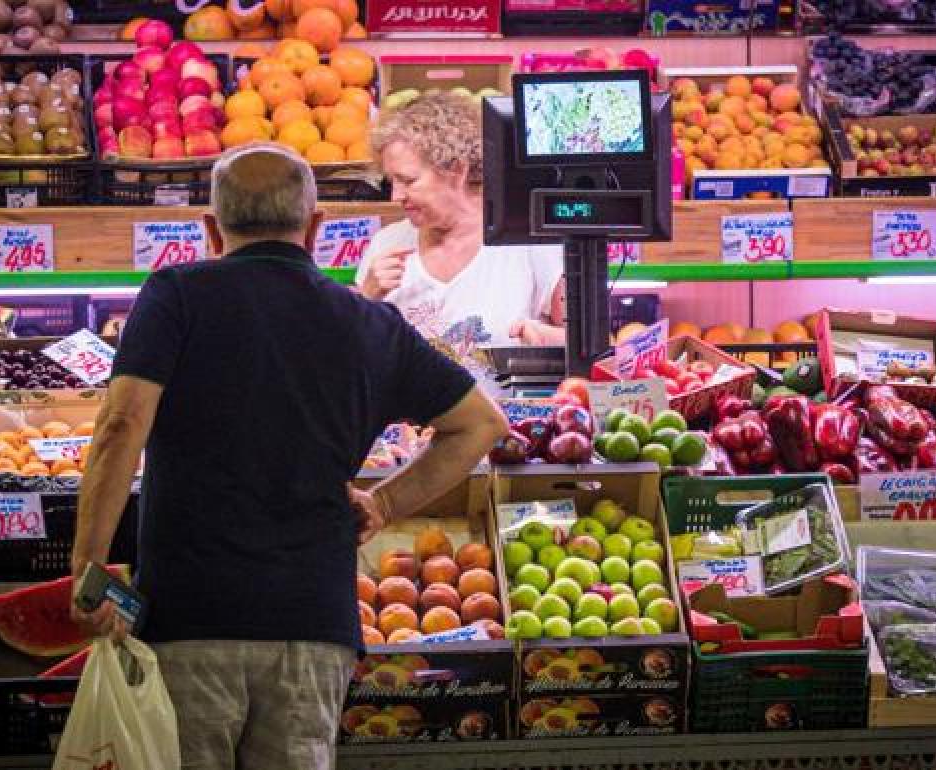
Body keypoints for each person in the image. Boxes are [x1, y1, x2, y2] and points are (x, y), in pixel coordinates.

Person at [69, 144, 508, 770]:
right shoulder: (370, 323)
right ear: (315, 227)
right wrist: (386, 504)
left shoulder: (176, 294)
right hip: (313, 625)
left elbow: (121, 424)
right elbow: (480, 425)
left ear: (211, 230)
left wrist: (88, 566)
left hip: (191, 617)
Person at [357, 92, 567, 363]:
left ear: (457, 170)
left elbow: (591, 348)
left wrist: (545, 340)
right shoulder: (387, 244)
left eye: (408, 181)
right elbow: (353, 359)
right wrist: (367, 301)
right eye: (391, 182)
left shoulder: (527, 244)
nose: (396, 196)